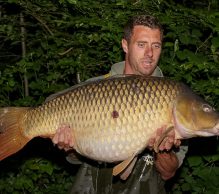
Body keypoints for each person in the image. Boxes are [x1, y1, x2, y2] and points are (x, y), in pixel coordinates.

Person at [52, 15, 188, 194]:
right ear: (125, 45)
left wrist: (160, 148)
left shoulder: (173, 99)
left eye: (156, 46)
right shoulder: (95, 88)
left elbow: (169, 172)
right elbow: (75, 158)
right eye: (141, 44)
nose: (150, 53)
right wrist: (68, 147)